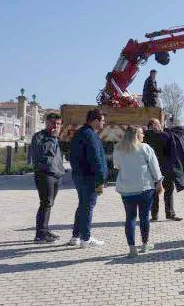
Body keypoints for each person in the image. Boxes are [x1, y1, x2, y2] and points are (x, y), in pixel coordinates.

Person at [113, 126, 163, 257]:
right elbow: (154, 167)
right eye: (141, 133)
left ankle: (132, 248)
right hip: (144, 188)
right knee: (144, 217)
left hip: (126, 189)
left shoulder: (118, 148)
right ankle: (145, 244)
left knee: (130, 217)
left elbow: (117, 166)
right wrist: (159, 182)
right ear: (136, 135)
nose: (143, 136)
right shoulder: (145, 148)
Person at [68, 109, 108, 248]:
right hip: (89, 177)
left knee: (82, 206)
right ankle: (86, 238)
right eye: (102, 120)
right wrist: (101, 179)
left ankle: (75, 236)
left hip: (79, 176)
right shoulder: (91, 135)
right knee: (88, 207)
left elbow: (71, 156)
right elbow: (96, 159)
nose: (103, 123)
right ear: (95, 120)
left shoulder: (80, 133)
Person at [29, 112, 65, 243]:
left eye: (58, 124)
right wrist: (52, 138)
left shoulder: (55, 138)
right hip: (44, 174)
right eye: (52, 123)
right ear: (47, 123)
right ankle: (40, 235)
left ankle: (44, 230)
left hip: (56, 174)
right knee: (45, 203)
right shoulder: (39, 137)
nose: (55, 126)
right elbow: (42, 155)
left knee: (49, 204)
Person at [144, 119, 182, 221]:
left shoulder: (145, 136)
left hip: (151, 169)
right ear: (153, 125)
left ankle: (154, 215)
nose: (161, 125)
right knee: (168, 190)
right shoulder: (164, 136)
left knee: (154, 192)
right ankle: (170, 213)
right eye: (159, 124)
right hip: (165, 169)